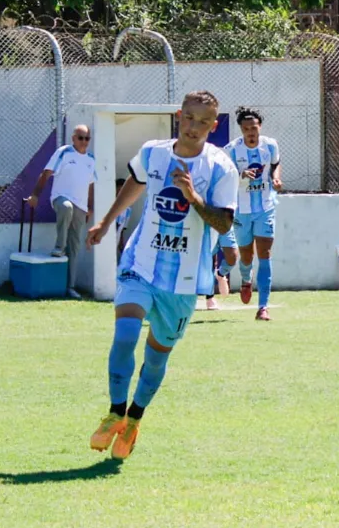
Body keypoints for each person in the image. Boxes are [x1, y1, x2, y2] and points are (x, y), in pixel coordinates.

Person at [85, 91, 238, 461]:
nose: (194, 127)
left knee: (155, 359)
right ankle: (114, 412)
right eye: (189, 118)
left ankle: (134, 419)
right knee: (124, 335)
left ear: (213, 126)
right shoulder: (153, 152)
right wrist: (106, 222)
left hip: (184, 281)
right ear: (178, 116)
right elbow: (136, 183)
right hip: (141, 263)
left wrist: (194, 197)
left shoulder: (221, 168)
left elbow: (224, 221)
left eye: (204, 122)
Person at [212, 107, 283, 319]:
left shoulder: (270, 145)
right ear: (241, 130)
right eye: (246, 129)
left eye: (254, 128)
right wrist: (241, 174)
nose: (251, 132)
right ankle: (245, 279)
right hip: (241, 211)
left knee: (265, 254)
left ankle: (263, 306)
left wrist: (276, 178)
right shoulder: (232, 149)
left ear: (259, 127)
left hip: (265, 207)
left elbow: (275, 163)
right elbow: (223, 176)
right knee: (246, 255)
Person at [29, 124, 96, 298]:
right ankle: (59, 247)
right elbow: (46, 173)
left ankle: (70, 286)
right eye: (80, 138)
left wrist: (90, 206)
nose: (84, 141)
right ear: (73, 138)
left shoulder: (91, 159)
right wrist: (35, 195)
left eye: (87, 138)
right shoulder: (64, 152)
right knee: (66, 208)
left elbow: (90, 185)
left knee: (75, 246)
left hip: (81, 206)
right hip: (60, 198)